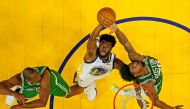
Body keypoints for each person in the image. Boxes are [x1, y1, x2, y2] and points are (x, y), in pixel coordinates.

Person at [109, 23, 183, 109]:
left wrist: (116, 30)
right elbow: (155, 102)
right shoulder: (148, 84)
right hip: (151, 89)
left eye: (130, 64)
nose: (133, 64)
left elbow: (126, 43)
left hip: (147, 79)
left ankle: (132, 94)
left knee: (134, 87)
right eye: (133, 68)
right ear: (136, 75)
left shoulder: (136, 58)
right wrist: (172, 108)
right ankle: (128, 93)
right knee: (138, 92)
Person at [66, 24, 138, 101]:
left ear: (111, 48)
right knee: (67, 94)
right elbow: (92, 37)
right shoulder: (91, 55)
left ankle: (90, 87)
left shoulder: (115, 62)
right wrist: (101, 25)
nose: (104, 48)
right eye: (102, 45)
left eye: (107, 47)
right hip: (83, 78)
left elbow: (129, 73)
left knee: (86, 96)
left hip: (91, 75)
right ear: (99, 44)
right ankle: (88, 88)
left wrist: (138, 93)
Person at [0, 66, 71, 109]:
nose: (40, 80)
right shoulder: (17, 79)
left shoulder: (44, 77)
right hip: (32, 88)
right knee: (21, 100)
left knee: (68, 94)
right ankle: (16, 91)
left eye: (39, 77)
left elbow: (42, 103)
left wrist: (20, 107)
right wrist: (13, 94)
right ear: (29, 81)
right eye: (37, 81)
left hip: (52, 83)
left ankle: (82, 84)